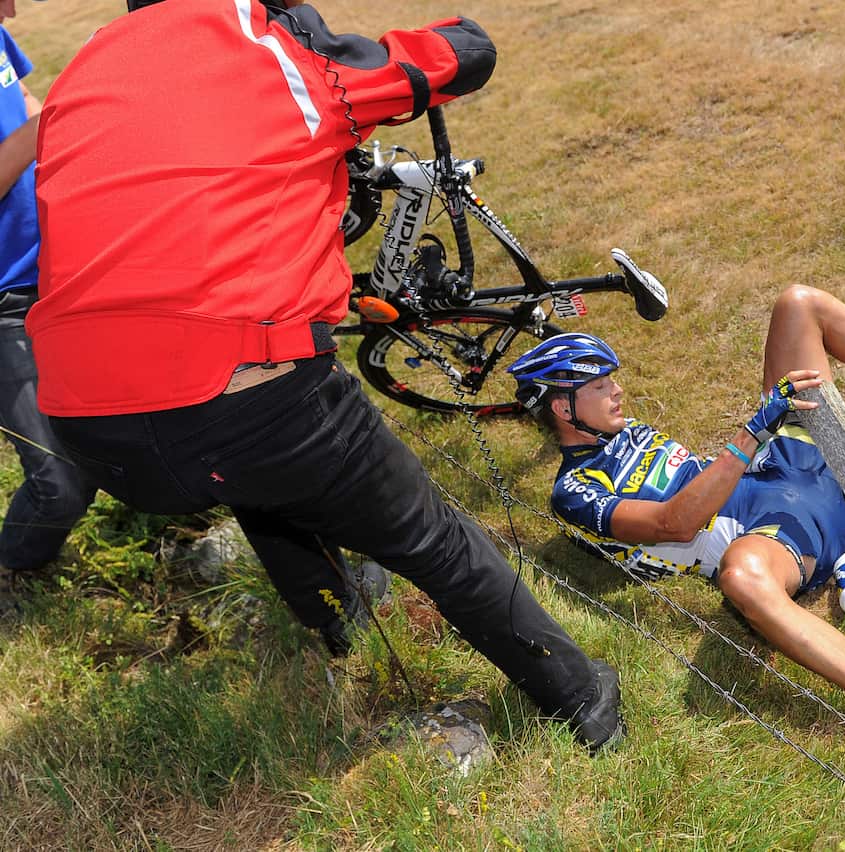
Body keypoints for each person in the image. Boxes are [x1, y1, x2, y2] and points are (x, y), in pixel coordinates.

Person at [28, 0, 621, 752]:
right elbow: (452, 59)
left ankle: (340, 627)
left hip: (87, 422)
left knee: (250, 477)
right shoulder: (268, 49)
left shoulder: (84, 70)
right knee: (429, 537)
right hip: (245, 395)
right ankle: (581, 697)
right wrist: (451, 30)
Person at [509, 284, 845, 807]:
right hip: (775, 539)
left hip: (787, 470)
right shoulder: (574, 493)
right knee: (740, 578)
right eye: (600, 386)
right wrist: (753, 431)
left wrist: (763, 436)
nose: (617, 390)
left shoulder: (622, 432)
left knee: (797, 305)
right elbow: (676, 522)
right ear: (563, 409)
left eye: (611, 381)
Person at [0, 0, 96, 616]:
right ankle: (13, 569)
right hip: (4, 302)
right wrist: (68, 106)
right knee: (60, 481)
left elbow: (24, 104)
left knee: (104, 440)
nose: (16, 5)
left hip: (63, 277)